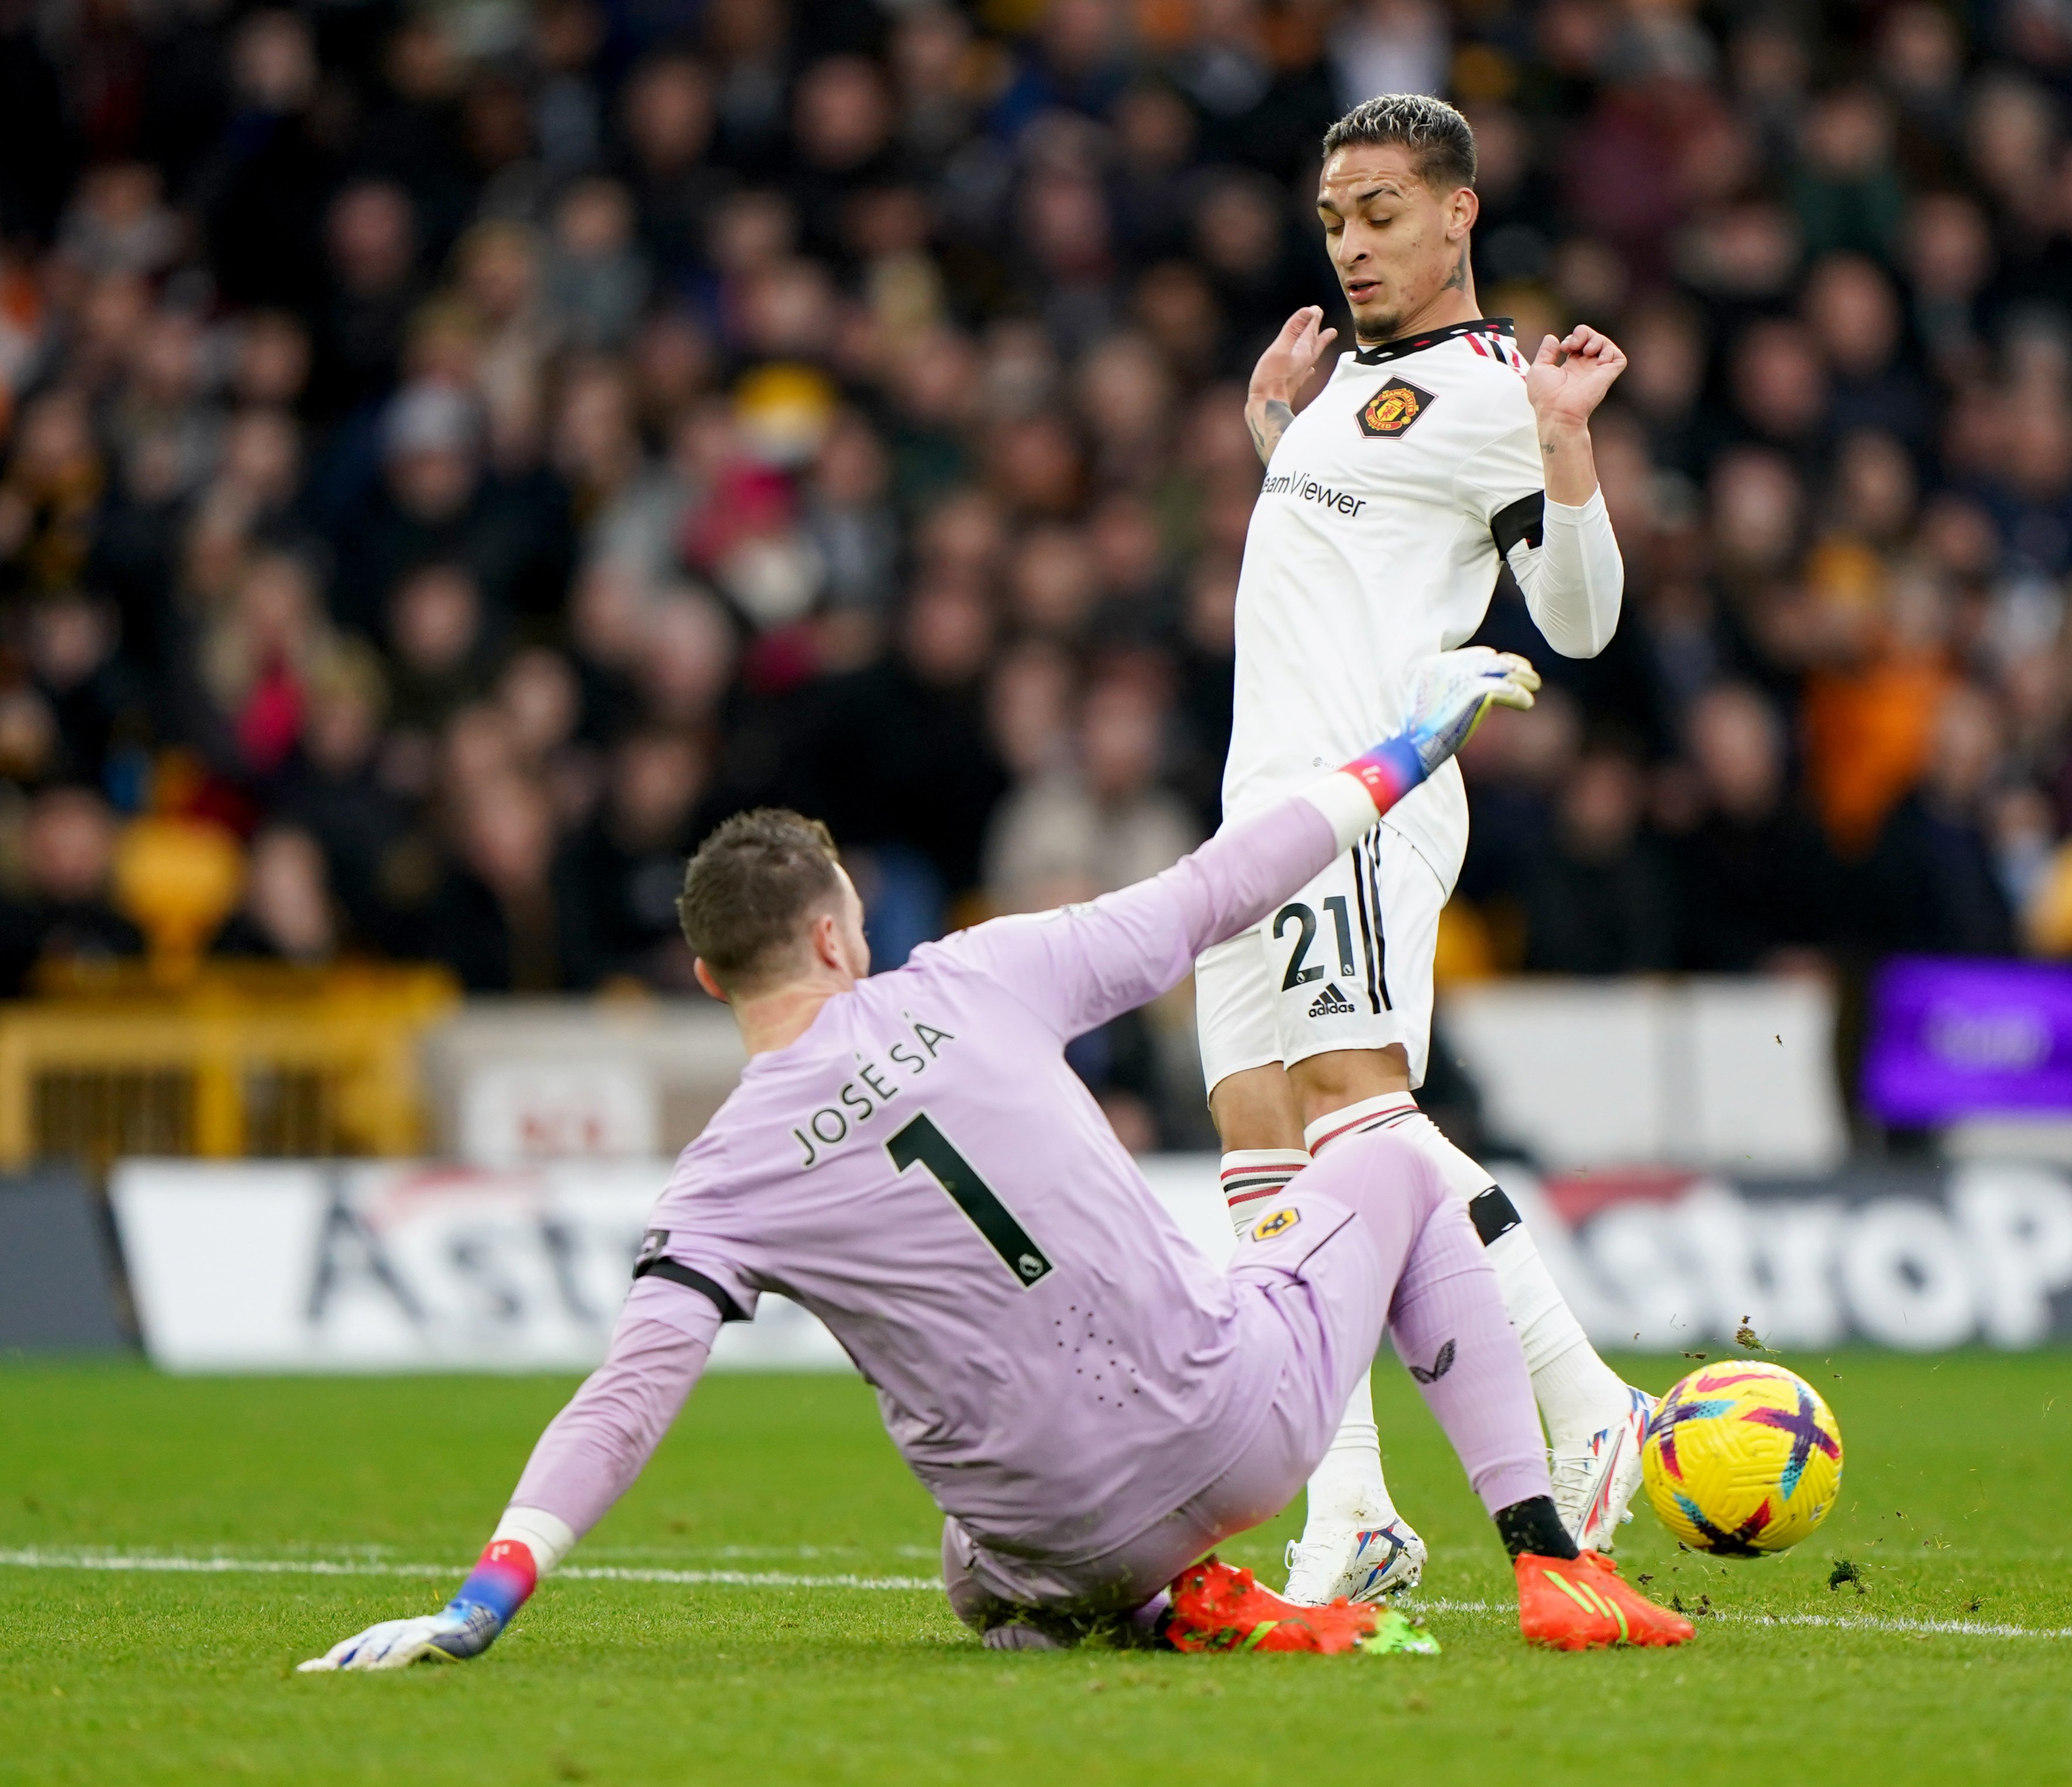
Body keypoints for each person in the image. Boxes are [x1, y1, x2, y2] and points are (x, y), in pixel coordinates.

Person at [300, 649, 1692, 1669]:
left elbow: (625, 1400)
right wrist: (1402, 756)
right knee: (1387, 1167)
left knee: (976, 1566)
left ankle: (1155, 1602)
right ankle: (1547, 1557)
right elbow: (1216, 888)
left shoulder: (718, 1179)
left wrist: (483, 1598)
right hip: (1234, 1431)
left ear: (711, 978)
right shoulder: (975, 977)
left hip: (1058, 1538)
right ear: (840, 937)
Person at [1201, 93, 1649, 1604]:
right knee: (1263, 1154)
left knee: (1357, 1123)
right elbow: (1348, 552)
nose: (1352, 246)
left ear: (1460, 211)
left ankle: (1587, 1409)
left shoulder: (1489, 392)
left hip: (1358, 796)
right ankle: (1356, 1513)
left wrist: (1567, 448)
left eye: (1380, 212)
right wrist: (1275, 436)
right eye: (1333, 221)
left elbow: (1581, 624)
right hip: (1258, 804)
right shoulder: (1338, 387)